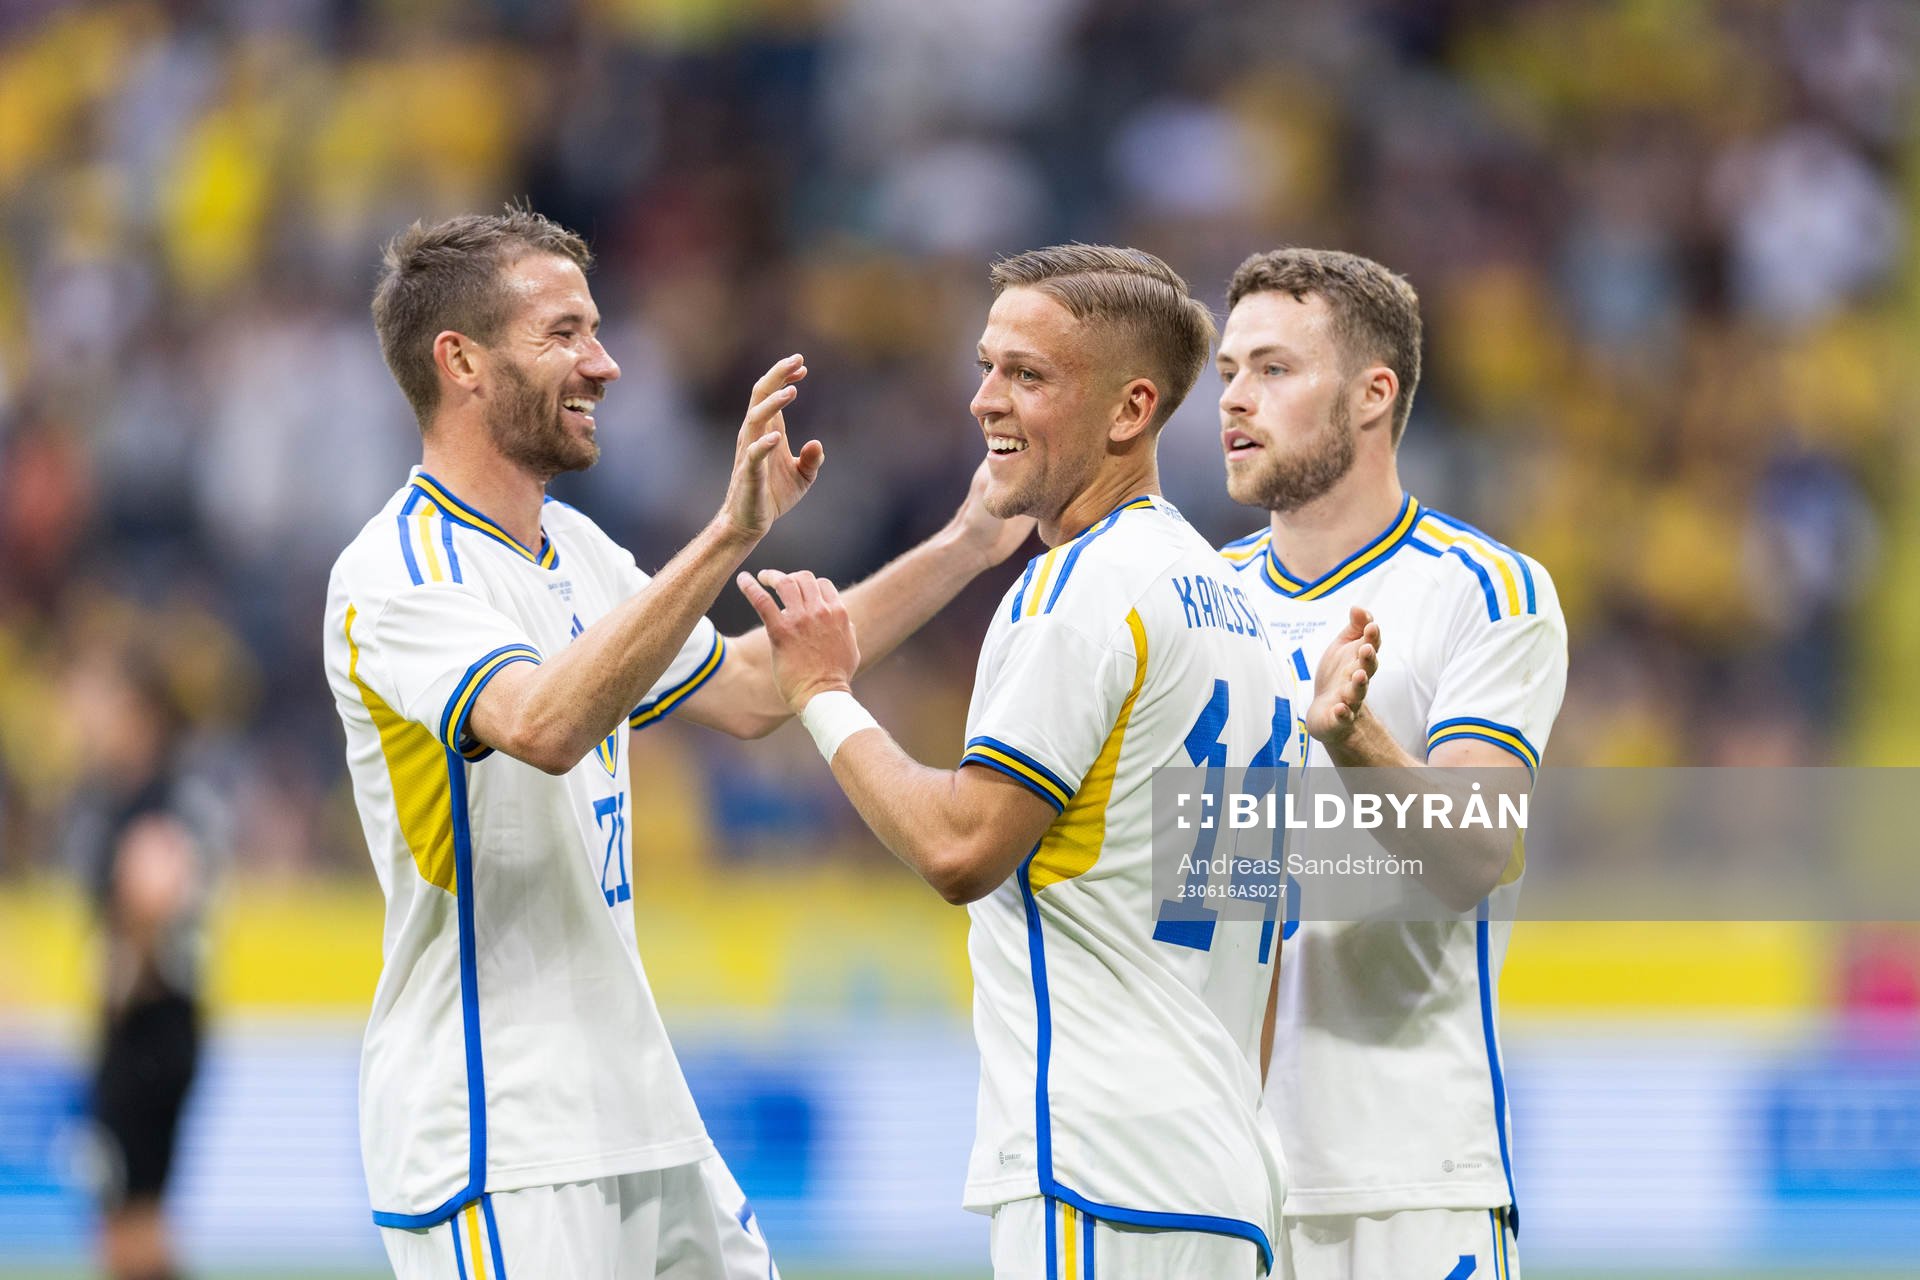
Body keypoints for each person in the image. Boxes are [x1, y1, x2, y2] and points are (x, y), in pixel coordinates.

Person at [322, 208, 1030, 1280]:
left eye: (596, 330)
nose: (603, 362)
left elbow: (758, 685)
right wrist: (732, 532)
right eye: (563, 333)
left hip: (640, 1107)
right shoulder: (394, 574)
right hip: (497, 1129)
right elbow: (545, 726)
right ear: (460, 360)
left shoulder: (578, 550)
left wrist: (969, 542)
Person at [737, 245, 1364, 1279]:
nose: (986, 401)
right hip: (1224, 1182)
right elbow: (1265, 926)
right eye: (987, 367)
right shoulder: (1242, 616)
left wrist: (821, 692)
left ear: (1130, 411)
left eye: (1028, 376)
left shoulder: (1079, 590)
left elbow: (960, 845)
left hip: (1098, 1174)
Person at [1213, 247, 1569, 1280]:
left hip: (1412, 1177)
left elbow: (1472, 851)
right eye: (1230, 370)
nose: (1235, 398)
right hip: (1219, 1181)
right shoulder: (1192, 596)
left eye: (1274, 369)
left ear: (1374, 394)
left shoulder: (1486, 590)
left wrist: (1354, 738)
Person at [63, 644, 222, 1280]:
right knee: (134, 1221)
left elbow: (157, 890)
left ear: (138, 712)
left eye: (100, 700)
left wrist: (124, 966)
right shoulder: (133, 795)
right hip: (158, 1026)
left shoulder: (157, 799)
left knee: (132, 1228)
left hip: (148, 1025)